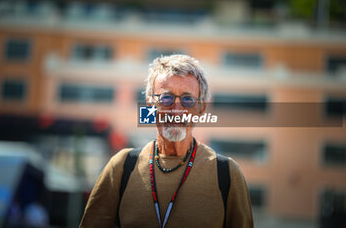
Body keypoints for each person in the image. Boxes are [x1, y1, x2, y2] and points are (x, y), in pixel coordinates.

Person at [80, 54, 253, 228]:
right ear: (150, 104)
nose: (176, 110)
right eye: (166, 98)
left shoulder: (226, 173)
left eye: (187, 99)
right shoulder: (121, 167)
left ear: (200, 108)